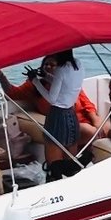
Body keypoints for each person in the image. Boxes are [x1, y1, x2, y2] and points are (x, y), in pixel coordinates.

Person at [29, 49, 84, 179]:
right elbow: (65, 83)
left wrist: (35, 81)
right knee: (71, 165)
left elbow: (52, 99)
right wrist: (45, 76)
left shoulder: (60, 69)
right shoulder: (78, 64)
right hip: (71, 115)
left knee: (54, 166)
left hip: (57, 117)